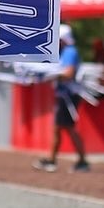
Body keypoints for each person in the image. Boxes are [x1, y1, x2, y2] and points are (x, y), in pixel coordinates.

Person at [34, 23, 90, 172]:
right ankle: (54, 159)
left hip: (69, 96)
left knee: (65, 128)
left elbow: (68, 74)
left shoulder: (70, 52)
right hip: (64, 95)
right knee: (61, 128)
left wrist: (50, 75)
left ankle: (78, 161)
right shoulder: (64, 52)